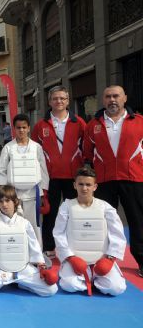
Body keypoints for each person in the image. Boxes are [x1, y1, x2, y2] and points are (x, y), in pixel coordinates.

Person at [83, 85, 143, 278]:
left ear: (125, 98)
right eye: (108, 97)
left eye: (116, 96)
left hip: (133, 178)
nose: (112, 100)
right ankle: (101, 259)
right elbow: (87, 154)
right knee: (104, 222)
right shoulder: (94, 125)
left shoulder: (140, 122)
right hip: (104, 180)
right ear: (103, 100)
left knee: (138, 221)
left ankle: (141, 260)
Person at [0, 185, 58, 298]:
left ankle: (22, 284)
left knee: (51, 289)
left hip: (24, 270)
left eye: (7, 201)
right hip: (1, 271)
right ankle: (8, 282)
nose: (4, 204)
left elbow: (34, 246)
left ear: (15, 201)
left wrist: (41, 266)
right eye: (1, 201)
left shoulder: (25, 223)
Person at [53, 166, 127, 296]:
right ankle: (89, 278)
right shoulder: (66, 207)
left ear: (95, 187)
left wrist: (109, 259)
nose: (84, 188)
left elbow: (118, 235)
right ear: (74, 185)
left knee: (117, 288)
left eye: (88, 184)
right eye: (80, 184)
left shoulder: (105, 207)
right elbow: (58, 234)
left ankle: (93, 277)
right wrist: (70, 258)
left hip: (101, 259)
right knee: (68, 285)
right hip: (76, 259)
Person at [32, 86, 86, 258]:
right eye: (55, 98)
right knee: (50, 213)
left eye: (62, 98)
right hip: (50, 177)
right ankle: (49, 246)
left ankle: (73, 245)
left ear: (68, 101)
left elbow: (87, 148)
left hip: (73, 177)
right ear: (49, 102)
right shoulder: (41, 125)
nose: (59, 101)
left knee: (73, 212)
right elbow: (34, 150)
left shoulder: (79, 123)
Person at [0, 114, 49, 245]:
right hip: (14, 195)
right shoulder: (8, 148)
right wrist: (3, 191)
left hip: (33, 193)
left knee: (33, 224)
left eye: (24, 127)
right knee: (15, 224)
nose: (21, 130)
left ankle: (37, 256)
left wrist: (44, 192)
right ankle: (17, 251)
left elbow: (43, 169)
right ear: (14, 128)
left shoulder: (36, 147)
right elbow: (1, 171)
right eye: (18, 127)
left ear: (29, 128)